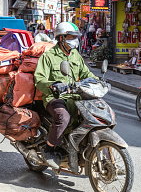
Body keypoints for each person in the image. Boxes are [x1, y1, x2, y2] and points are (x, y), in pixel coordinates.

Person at [34, 22, 97, 167]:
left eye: (76, 37)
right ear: (61, 38)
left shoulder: (75, 55)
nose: (75, 39)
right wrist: (52, 85)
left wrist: (99, 82)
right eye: (71, 36)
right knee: (63, 118)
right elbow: (39, 79)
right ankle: (48, 150)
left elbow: (86, 73)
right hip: (54, 97)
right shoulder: (48, 57)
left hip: (74, 95)